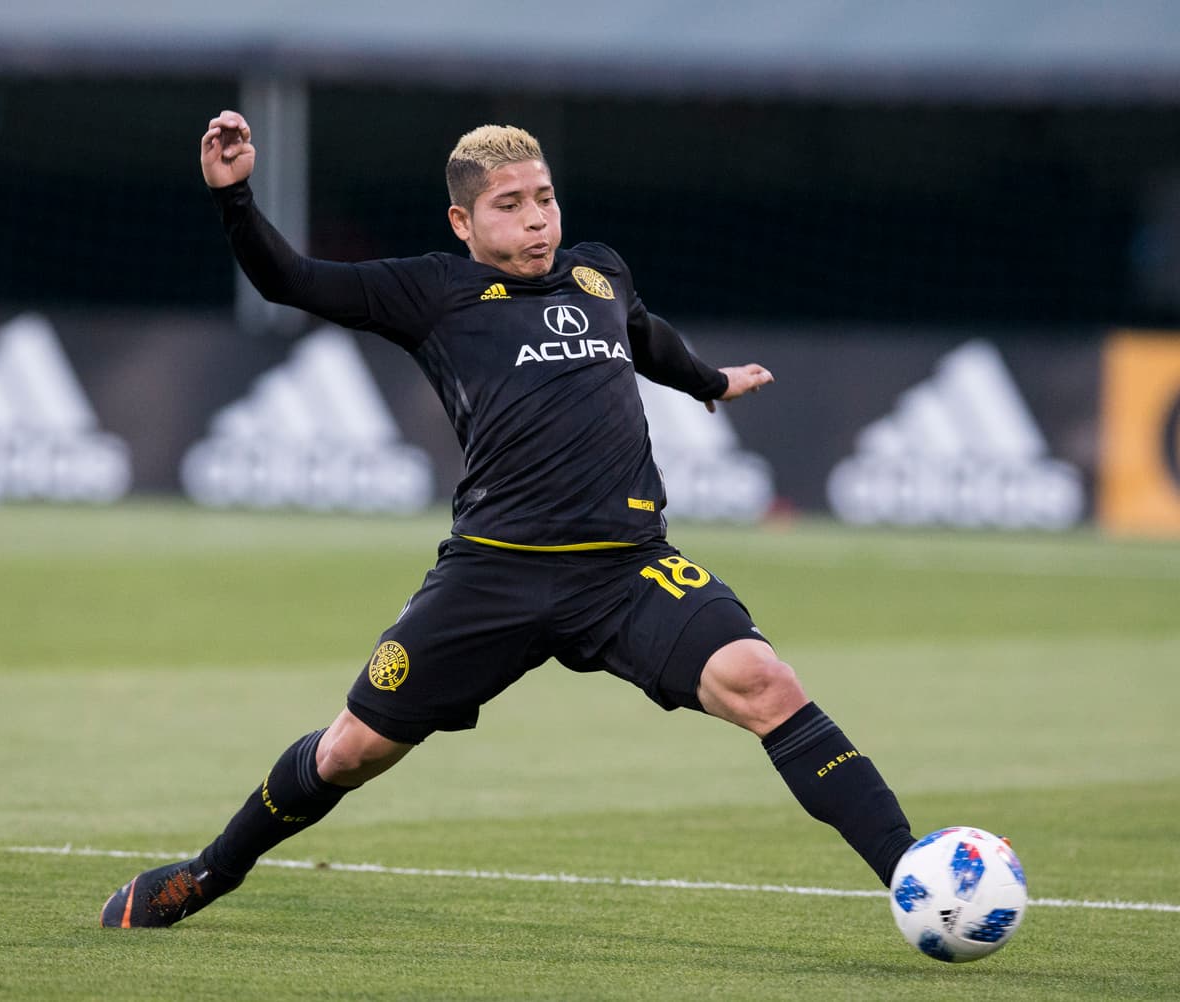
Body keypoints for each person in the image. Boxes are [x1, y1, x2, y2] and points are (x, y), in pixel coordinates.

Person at [99, 111, 916, 929]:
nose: (536, 219)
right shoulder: (431, 293)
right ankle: (208, 874)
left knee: (766, 682)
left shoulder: (600, 273)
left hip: (625, 570)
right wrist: (234, 197)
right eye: (510, 205)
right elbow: (290, 280)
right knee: (351, 751)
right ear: (463, 221)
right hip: (493, 574)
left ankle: (918, 878)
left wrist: (708, 380)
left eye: (545, 199)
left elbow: (641, 336)